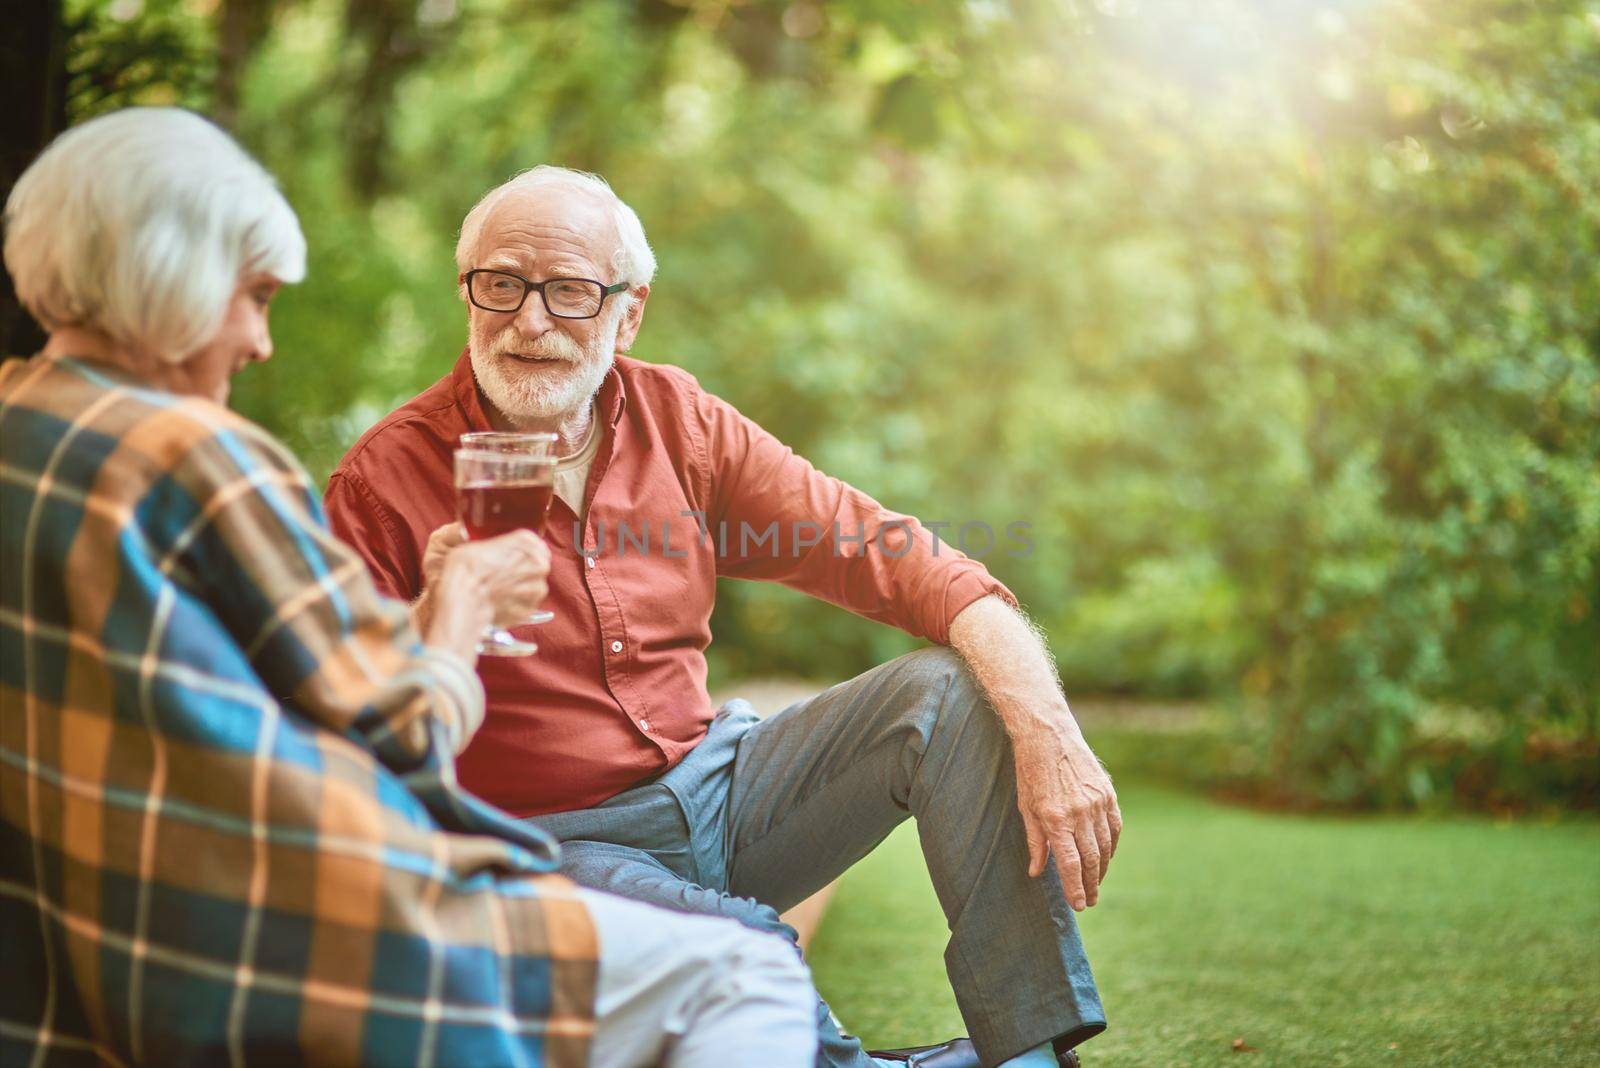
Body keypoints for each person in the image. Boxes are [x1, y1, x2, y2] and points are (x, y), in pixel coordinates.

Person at [0, 108, 818, 1068]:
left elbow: (292, 701)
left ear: (624, 312)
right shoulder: (199, 460)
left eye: (566, 292)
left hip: (90, 947)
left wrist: (431, 617)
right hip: (297, 926)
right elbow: (393, 738)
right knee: (749, 972)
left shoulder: (22, 428)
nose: (262, 342)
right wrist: (464, 609)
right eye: (254, 296)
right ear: (166, 278)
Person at [324, 166, 1123, 1068]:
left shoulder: (682, 425)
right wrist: (442, 620)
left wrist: (1049, 728)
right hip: (544, 845)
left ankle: (1027, 1055)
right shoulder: (382, 482)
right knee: (743, 948)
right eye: (501, 284)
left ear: (627, 315)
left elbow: (900, 558)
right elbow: (347, 739)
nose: (529, 321)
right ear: (468, 293)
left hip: (719, 789)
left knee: (948, 692)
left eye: (571, 293)